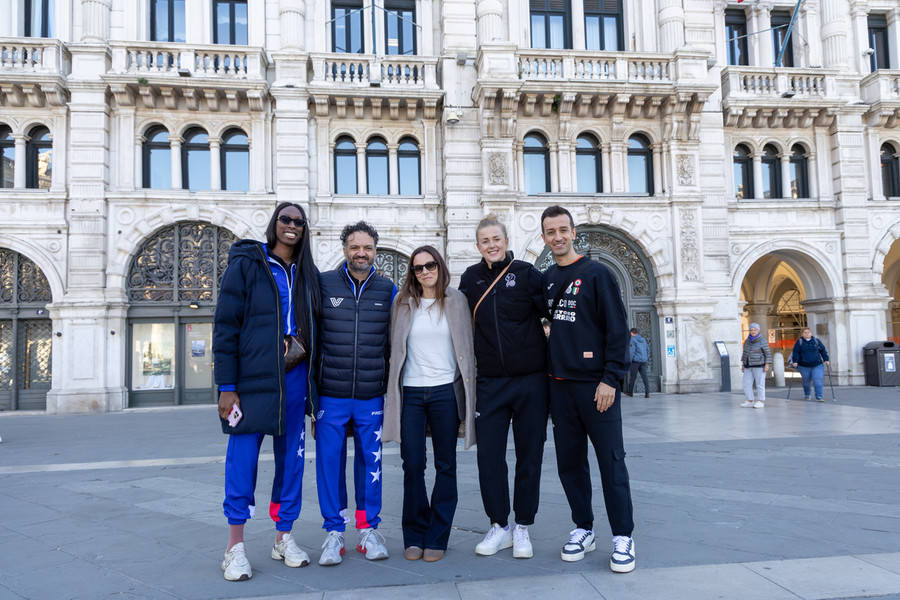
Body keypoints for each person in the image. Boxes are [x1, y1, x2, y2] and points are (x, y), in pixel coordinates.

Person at [213, 202, 321, 581]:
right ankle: (235, 547)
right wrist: (227, 387)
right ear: (273, 224)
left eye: (299, 222)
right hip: (251, 382)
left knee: (291, 461)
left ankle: (283, 537)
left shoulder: (308, 274)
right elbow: (225, 327)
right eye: (285, 219)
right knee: (242, 460)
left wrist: (315, 396)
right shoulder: (246, 265)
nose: (292, 226)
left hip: (295, 380)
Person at [540, 205, 636, 574]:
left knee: (612, 464)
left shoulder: (598, 274)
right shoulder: (546, 278)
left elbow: (617, 329)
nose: (558, 237)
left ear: (573, 231)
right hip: (560, 391)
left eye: (563, 229)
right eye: (551, 232)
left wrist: (611, 379)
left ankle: (623, 536)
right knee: (570, 466)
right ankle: (583, 528)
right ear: (545, 237)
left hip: (598, 390)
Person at [458, 216, 549, 559]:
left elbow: (553, 313)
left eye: (496, 238)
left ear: (506, 239)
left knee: (529, 456)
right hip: (491, 383)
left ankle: (522, 525)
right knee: (489, 457)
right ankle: (499, 525)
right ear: (478, 245)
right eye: (485, 241)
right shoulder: (471, 278)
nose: (491, 245)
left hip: (531, 382)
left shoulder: (527, 274)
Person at [383, 246, 476, 563]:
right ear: (412, 273)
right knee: (412, 465)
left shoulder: (456, 301)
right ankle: (414, 534)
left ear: (440, 266)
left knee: (445, 465)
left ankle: (438, 536)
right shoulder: (402, 303)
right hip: (410, 391)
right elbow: (391, 347)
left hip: (445, 393)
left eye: (430, 265)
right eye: (418, 268)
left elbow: (468, 346)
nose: (424, 271)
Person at [315, 221, 395, 566]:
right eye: (354, 247)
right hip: (330, 395)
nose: (361, 253)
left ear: (375, 251)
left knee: (370, 463)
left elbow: (396, 343)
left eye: (367, 248)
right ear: (344, 249)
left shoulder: (387, 289)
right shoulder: (323, 284)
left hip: (370, 395)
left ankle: (367, 530)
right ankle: (334, 531)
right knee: (329, 463)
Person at [790, 327, 830, 401]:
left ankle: (819, 396)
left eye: (808, 332)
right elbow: (796, 353)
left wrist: (826, 359)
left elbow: (823, 351)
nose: (807, 333)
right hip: (804, 365)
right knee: (806, 381)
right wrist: (795, 361)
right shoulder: (799, 342)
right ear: (802, 334)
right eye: (805, 332)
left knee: (818, 379)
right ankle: (807, 394)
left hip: (817, 364)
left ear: (811, 333)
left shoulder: (816, 341)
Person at [740, 323, 772, 408]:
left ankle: (761, 401)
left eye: (755, 330)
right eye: (751, 330)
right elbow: (745, 353)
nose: (753, 331)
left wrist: (767, 365)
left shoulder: (762, 340)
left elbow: (768, 353)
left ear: (758, 330)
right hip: (748, 365)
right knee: (746, 383)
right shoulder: (747, 341)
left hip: (759, 365)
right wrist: (743, 364)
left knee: (760, 384)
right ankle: (750, 400)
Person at [624, 328, 650, 398]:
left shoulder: (633, 340)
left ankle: (630, 392)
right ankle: (647, 393)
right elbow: (648, 350)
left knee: (633, 377)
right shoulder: (643, 340)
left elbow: (632, 351)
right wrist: (645, 358)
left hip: (635, 361)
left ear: (631, 333)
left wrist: (630, 360)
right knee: (645, 378)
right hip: (643, 361)